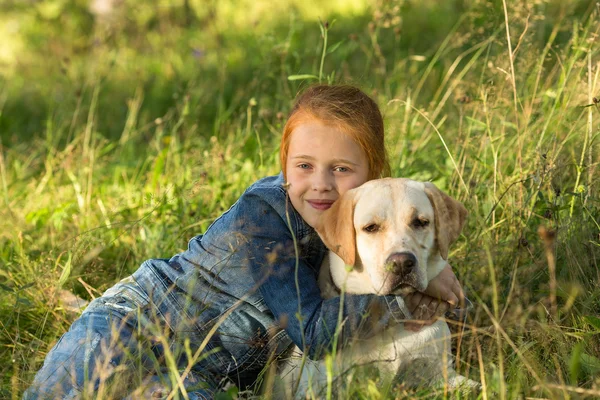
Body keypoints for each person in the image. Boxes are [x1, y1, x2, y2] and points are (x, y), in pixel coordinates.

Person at [24, 84, 465, 399]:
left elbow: (406, 248)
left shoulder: (372, 214)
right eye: (304, 165)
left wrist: (429, 271)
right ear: (284, 165)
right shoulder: (264, 216)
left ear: (372, 172)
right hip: (138, 324)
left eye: (342, 169)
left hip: (209, 373)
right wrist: (407, 296)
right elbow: (312, 333)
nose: (321, 185)